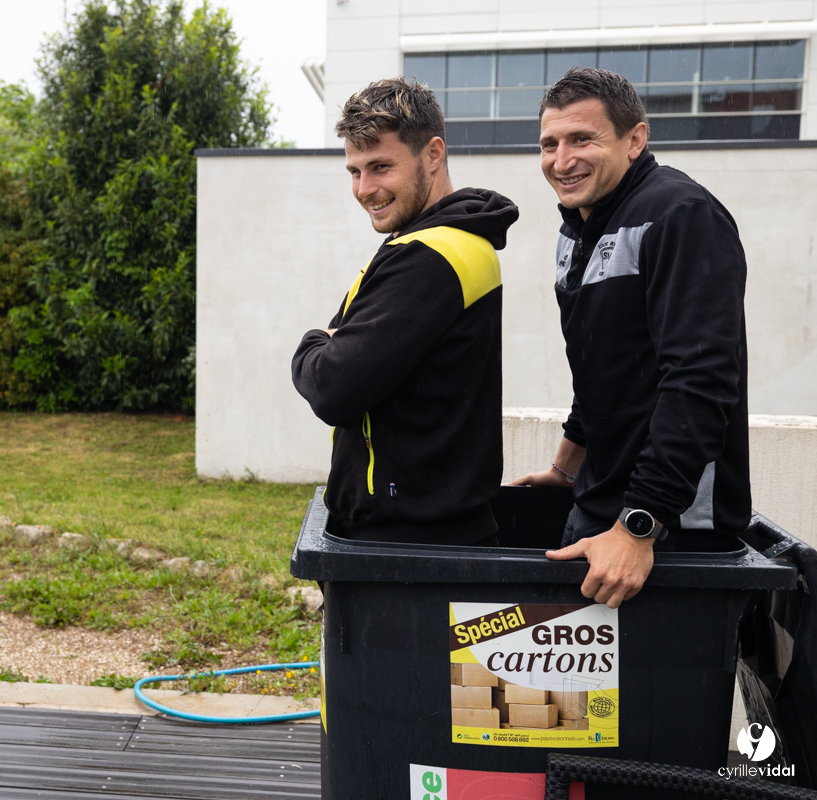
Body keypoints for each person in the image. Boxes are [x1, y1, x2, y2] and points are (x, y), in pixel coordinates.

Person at [511, 68, 751, 608]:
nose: (561, 160)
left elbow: (700, 381)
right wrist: (566, 469)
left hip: (670, 529)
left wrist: (640, 524)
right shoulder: (578, 228)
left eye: (582, 139)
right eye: (549, 144)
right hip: (599, 507)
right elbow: (601, 368)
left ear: (635, 140)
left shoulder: (681, 215)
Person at [292, 78, 519, 545]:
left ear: (433, 154)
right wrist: (336, 345)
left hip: (411, 541)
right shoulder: (431, 241)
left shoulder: (431, 258)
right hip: (425, 526)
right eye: (354, 171)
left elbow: (334, 388)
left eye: (380, 167)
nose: (364, 189)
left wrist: (312, 342)